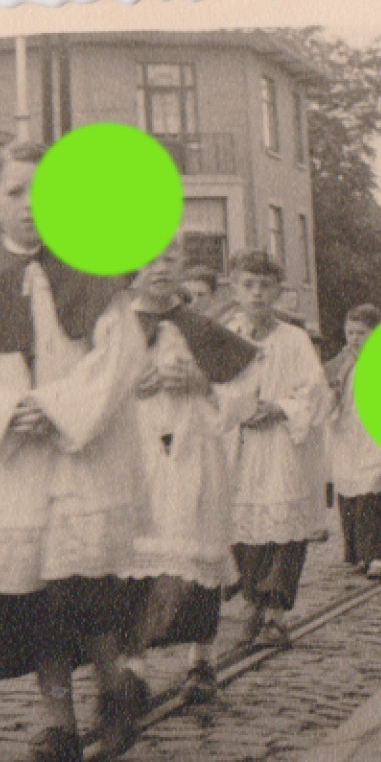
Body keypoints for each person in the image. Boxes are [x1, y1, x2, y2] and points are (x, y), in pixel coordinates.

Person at [0, 140, 149, 762]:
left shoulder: (97, 277)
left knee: (87, 587)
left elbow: (119, 361)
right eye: (16, 192)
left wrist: (61, 407)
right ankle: (57, 723)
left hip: (81, 455)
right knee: (36, 598)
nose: (30, 206)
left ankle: (115, 685)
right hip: (16, 460)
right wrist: (11, 409)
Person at [125, 239, 260, 705]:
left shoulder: (200, 327)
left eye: (169, 259)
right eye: (149, 259)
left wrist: (203, 383)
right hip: (137, 458)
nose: (160, 268)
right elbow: (85, 388)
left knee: (200, 552)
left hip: (194, 455)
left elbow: (245, 388)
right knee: (135, 564)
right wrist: (126, 387)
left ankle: (201, 660)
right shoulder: (114, 327)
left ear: (182, 266)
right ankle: (133, 669)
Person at [222, 250, 329, 649]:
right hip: (240, 443)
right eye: (248, 285)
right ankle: (252, 600)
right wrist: (238, 409)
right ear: (234, 288)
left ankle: (277, 611)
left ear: (278, 291)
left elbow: (316, 393)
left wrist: (281, 407)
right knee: (243, 524)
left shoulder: (294, 340)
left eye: (265, 286)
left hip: (282, 444)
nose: (257, 294)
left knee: (284, 527)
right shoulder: (227, 335)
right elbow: (213, 389)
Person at [326, 304, 381, 577]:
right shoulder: (342, 363)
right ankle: (358, 553)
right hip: (347, 433)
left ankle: (377, 554)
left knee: (370, 490)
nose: (354, 338)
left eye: (361, 333)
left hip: (376, 436)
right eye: (350, 332)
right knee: (350, 490)